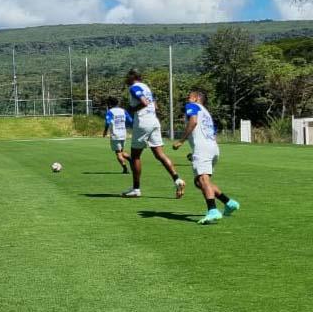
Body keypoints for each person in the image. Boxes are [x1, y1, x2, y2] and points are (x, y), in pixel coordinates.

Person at [173, 90, 240, 224]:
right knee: (200, 182)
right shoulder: (207, 113)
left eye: (190, 95)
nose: (188, 97)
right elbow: (212, 132)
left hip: (203, 148)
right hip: (213, 148)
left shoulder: (192, 106)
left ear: (197, 98)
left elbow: (193, 121)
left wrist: (181, 140)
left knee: (203, 179)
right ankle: (229, 203)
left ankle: (212, 210)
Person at [122, 69, 185, 198]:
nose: (126, 79)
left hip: (143, 122)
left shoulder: (134, 87)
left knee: (135, 156)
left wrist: (132, 109)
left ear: (132, 77)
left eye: (127, 77)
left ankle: (136, 189)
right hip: (154, 121)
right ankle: (177, 179)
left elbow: (144, 103)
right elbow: (155, 106)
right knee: (160, 154)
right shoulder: (147, 87)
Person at [102, 98, 132, 174]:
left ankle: (125, 168)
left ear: (110, 104)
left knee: (118, 153)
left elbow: (108, 122)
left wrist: (105, 131)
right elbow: (130, 120)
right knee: (121, 151)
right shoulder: (123, 111)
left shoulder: (110, 112)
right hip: (123, 133)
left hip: (115, 134)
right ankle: (131, 159)